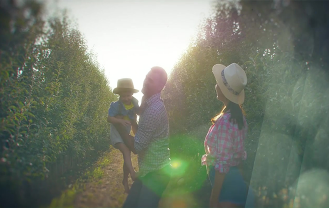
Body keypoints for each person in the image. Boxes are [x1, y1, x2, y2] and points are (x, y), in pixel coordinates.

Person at [113, 66, 171, 208]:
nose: (145, 82)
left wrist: (118, 123)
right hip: (148, 171)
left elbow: (136, 147)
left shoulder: (154, 110)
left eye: (150, 80)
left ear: (160, 87)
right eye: (146, 77)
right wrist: (132, 120)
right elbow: (140, 134)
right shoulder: (148, 103)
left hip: (157, 174)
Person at [201, 63, 254, 207]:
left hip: (226, 190)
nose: (216, 86)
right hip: (234, 185)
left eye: (218, 83)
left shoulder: (225, 122)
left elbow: (222, 165)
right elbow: (238, 157)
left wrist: (214, 199)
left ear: (225, 90)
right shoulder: (239, 118)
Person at [107, 78, 143, 193]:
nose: (126, 98)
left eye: (128, 95)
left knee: (126, 156)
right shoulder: (116, 106)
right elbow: (109, 118)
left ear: (132, 94)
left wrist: (137, 136)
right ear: (119, 96)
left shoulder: (134, 104)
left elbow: (133, 122)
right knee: (126, 152)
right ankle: (133, 174)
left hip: (125, 132)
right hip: (116, 133)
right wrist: (120, 121)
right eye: (123, 96)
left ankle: (124, 180)